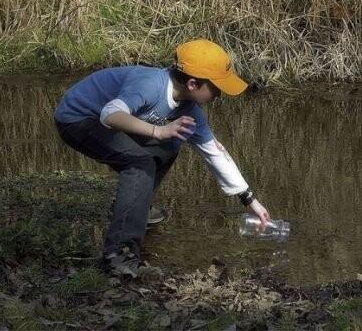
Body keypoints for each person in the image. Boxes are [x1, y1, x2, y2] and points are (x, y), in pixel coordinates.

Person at [53, 39, 270, 277]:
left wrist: (250, 201)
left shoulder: (189, 108)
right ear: (193, 83)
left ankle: (136, 209)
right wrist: (158, 131)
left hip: (110, 122)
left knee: (170, 145)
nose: (219, 95)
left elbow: (214, 151)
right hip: (78, 118)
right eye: (217, 88)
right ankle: (119, 258)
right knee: (140, 162)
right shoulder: (150, 85)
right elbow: (110, 114)